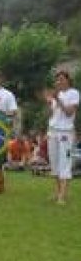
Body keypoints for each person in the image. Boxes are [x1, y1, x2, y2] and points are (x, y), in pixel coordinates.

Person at [45, 71, 79, 205]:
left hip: (66, 132)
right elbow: (50, 115)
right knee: (54, 163)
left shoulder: (74, 93)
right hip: (52, 131)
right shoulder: (55, 95)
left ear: (68, 80)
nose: (59, 82)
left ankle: (62, 196)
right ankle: (57, 192)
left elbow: (69, 112)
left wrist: (58, 99)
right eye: (57, 80)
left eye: (61, 79)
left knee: (65, 162)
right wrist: (49, 102)